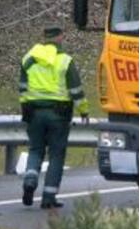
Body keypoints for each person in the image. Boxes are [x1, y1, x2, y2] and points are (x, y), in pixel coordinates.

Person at [19, 26, 89, 209]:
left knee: (35, 150)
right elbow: (76, 90)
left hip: (33, 112)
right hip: (59, 114)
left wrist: (26, 109)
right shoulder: (65, 61)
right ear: (60, 38)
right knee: (56, 155)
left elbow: (22, 88)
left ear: (44, 37)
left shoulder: (29, 59)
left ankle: (30, 180)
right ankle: (48, 197)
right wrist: (83, 110)